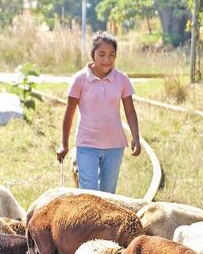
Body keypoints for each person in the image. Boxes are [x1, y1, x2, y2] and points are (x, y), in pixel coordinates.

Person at [56, 32, 141, 193]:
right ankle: (87, 220)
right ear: (93, 54)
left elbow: (130, 111)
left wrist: (136, 138)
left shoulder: (122, 79)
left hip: (115, 145)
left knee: (108, 195)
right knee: (89, 194)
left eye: (112, 55)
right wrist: (64, 144)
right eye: (101, 54)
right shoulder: (80, 79)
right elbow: (69, 114)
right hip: (87, 144)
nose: (107, 60)